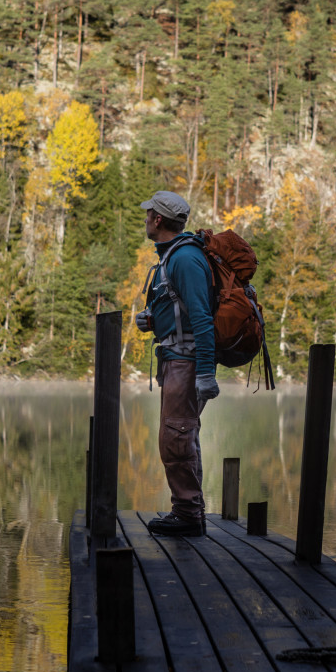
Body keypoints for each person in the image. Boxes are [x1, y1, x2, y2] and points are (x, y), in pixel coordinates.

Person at [135, 190, 219, 537]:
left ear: (157, 220)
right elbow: (181, 311)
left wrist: (205, 373)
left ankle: (187, 515)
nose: (145, 218)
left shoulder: (183, 259)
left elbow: (201, 317)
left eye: (148, 213)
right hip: (176, 360)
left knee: (177, 438)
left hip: (186, 363)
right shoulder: (174, 257)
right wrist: (152, 320)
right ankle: (188, 511)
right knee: (178, 436)